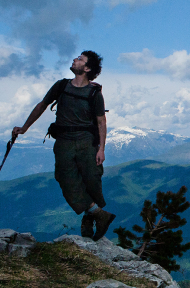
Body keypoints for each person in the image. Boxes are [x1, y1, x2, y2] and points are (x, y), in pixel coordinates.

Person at [12, 51, 116, 240]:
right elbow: (42, 105)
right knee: (65, 178)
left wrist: (101, 148)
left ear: (87, 68)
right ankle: (97, 213)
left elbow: (101, 121)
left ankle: (89, 218)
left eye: (80, 59)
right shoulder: (61, 86)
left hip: (87, 141)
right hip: (64, 141)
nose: (74, 59)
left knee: (91, 179)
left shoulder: (94, 94)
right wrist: (25, 127)